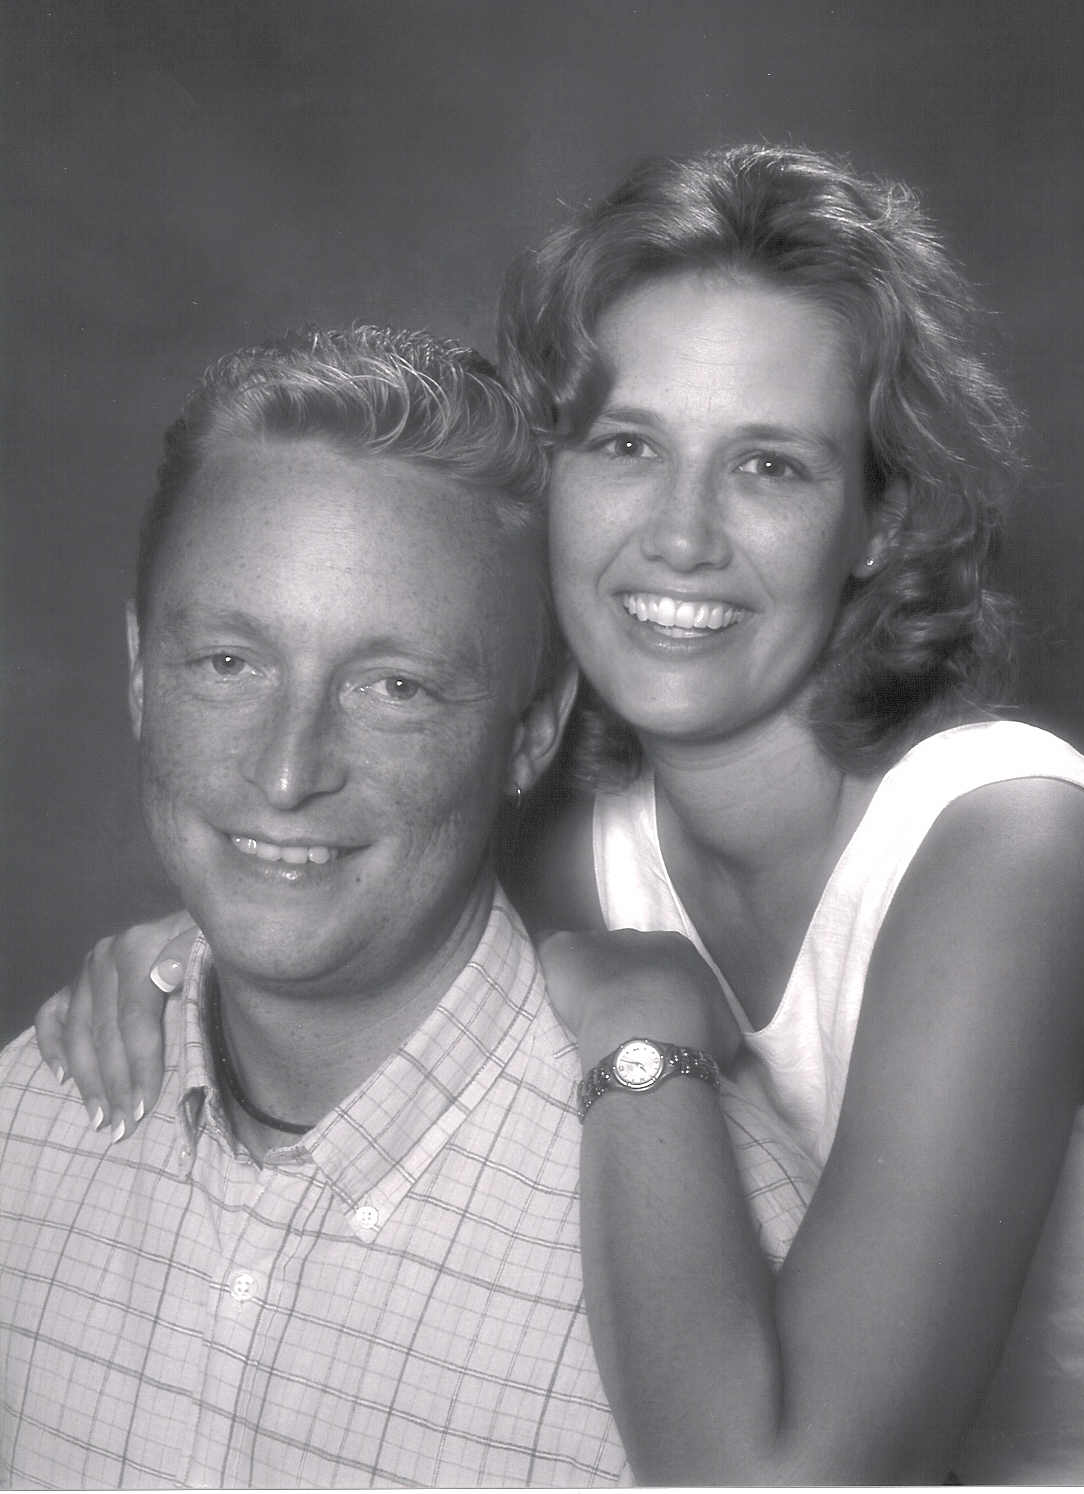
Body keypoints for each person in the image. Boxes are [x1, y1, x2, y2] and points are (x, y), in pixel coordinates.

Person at [38, 147, 1084, 1485]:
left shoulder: (1012, 849)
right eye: (626, 445)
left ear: (880, 520)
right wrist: (188, 958)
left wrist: (645, 1023)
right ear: (553, 476)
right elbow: (333, 898)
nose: (680, 536)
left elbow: (780, 1478)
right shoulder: (573, 849)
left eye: (770, 466)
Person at [1, 325, 807, 1489]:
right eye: (227, 663)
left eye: (395, 687)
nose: (287, 772)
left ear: (530, 731)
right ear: (137, 670)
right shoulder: (27, 1125)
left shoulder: (738, 1261)